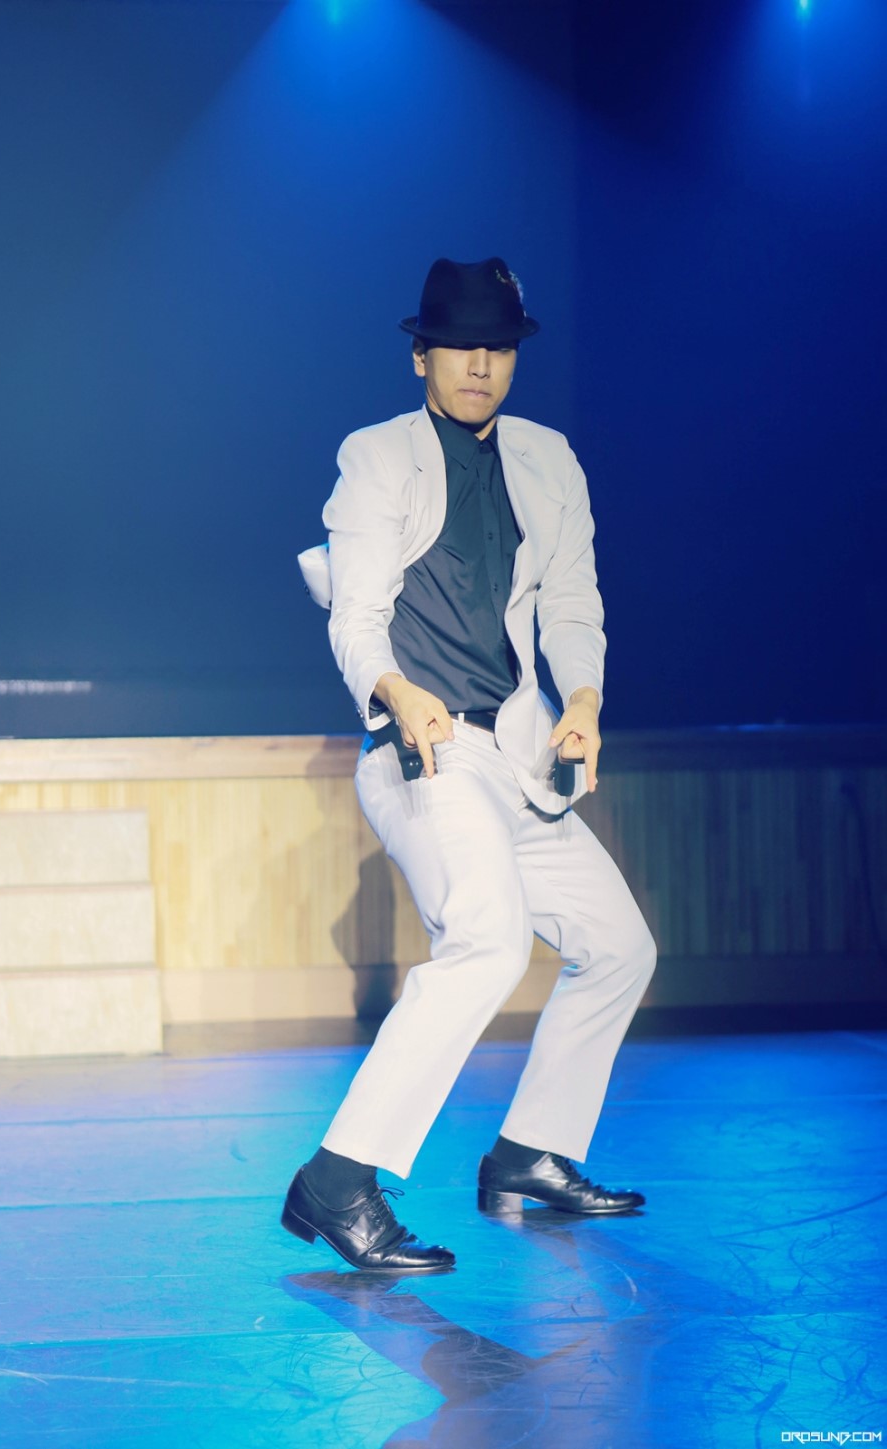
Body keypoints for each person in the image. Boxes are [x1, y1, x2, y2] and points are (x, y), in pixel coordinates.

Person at [284, 257, 656, 1272]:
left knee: (620, 947)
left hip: (515, 755)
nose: (481, 364)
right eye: (459, 347)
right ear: (422, 357)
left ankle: (531, 1150)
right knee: (488, 942)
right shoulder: (376, 458)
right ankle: (339, 1178)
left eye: (498, 347)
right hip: (424, 749)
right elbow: (356, 613)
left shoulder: (549, 459)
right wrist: (393, 690)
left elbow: (572, 602)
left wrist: (583, 703)